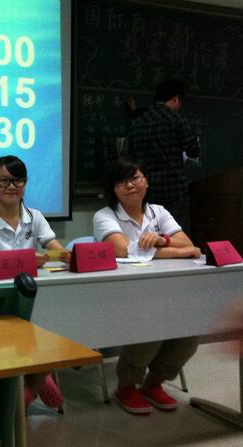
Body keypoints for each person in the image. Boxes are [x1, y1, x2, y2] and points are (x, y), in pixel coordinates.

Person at [93, 157, 201, 415]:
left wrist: (162, 240)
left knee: (191, 329)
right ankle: (126, 387)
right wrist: (179, 251)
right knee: (152, 320)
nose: (130, 185)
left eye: (135, 178)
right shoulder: (105, 215)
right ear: (113, 189)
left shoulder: (159, 212)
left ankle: (153, 384)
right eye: (121, 181)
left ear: (146, 181)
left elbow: (187, 242)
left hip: (165, 291)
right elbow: (123, 250)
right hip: (122, 295)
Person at [0, 155, 68, 411]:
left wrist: (64, 255)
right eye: (4, 181)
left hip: (34, 292)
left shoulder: (35, 216)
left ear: (25, 183)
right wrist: (26, 260)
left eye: (17, 181)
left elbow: (55, 248)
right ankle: (39, 377)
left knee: (54, 326)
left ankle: (33, 384)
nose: (11, 187)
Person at [125, 79, 201, 234]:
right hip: (174, 191)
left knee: (150, 239)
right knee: (177, 238)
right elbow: (194, 151)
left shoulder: (138, 122)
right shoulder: (176, 120)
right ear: (176, 98)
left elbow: (129, 157)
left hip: (146, 192)